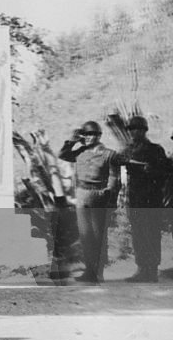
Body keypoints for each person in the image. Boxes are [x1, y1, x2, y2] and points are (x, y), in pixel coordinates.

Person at [59, 120, 126, 284]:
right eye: (86, 134)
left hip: (99, 195)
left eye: (92, 134)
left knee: (98, 236)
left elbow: (114, 179)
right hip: (82, 194)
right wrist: (72, 141)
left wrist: (111, 200)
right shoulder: (80, 151)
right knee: (85, 235)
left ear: (99, 135)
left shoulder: (109, 154)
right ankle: (89, 270)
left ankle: (98, 273)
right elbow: (62, 154)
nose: (88, 137)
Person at [120, 116, 171, 283]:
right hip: (135, 198)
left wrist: (151, 170)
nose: (134, 132)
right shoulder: (128, 150)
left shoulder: (155, 150)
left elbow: (165, 174)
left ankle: (152, 270)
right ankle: (142, 268)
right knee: (138, 234)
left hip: (151, 199)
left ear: (144, 131)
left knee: (152, 234)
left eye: (138, 129)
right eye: (131, 129)